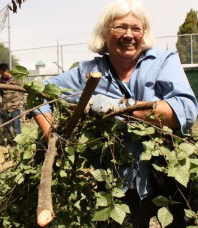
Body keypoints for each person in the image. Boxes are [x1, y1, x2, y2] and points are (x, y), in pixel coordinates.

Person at [32, 0, 198, 227]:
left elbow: (186, 111)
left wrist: (119, 106)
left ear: (144, 33)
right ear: (104, 32)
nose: (129, 35)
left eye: (136, 28)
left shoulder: (163, 62)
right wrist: (53, 137)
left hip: (167, 178)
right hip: (114, 187)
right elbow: (39, 94)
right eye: (120, 27)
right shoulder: (88, 73)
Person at [0, 63, 23, 136]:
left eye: (2, 73)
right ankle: (8, 142)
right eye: (0, 73)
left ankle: (18, 143)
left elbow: (23, 91)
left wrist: (23, 103)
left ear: (7, 70)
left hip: (15, 106)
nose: (1, 75)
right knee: (6, 128)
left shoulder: (16, 79)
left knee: (16, 128)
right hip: (5, 107)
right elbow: (0, 93)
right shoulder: (1, 81)